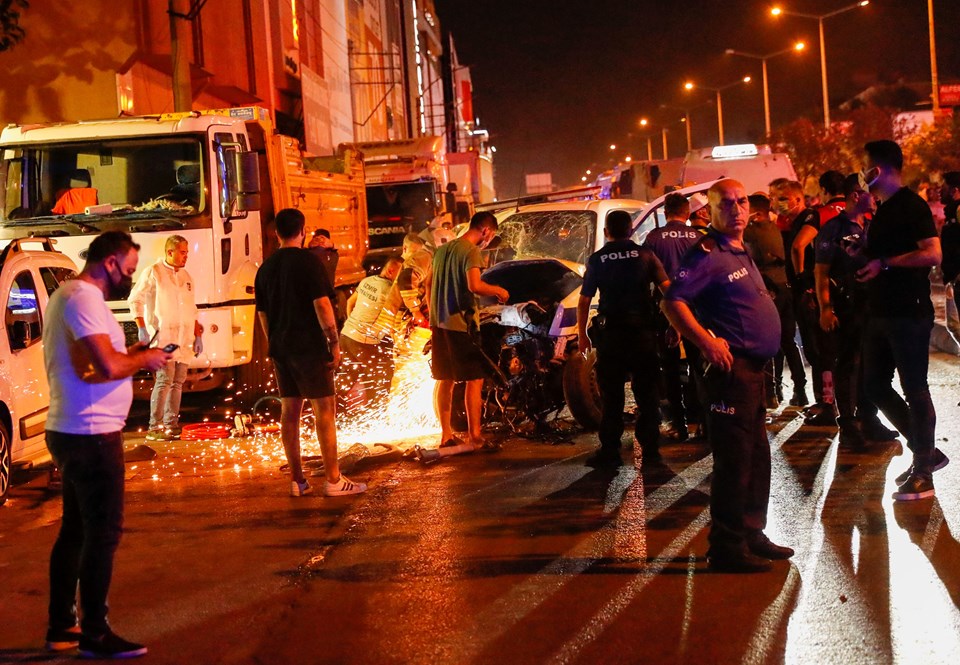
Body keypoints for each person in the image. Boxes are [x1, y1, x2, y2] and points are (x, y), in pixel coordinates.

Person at [43, 231, 171, 658]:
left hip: (76, 428)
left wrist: (130, 352)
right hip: (90, 433)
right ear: (112, 262)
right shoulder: (83, 298)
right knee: (103, 534)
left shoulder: (70, 296)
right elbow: (105, 366)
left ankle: (62, 626)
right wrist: (144, 359)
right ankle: (95, 634)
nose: (131, 280)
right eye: (130, 270)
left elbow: (93, 363)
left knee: (76, 532)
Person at [663, 179, 793, 573]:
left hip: (754, 372)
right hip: (730, 372)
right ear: (711, 211)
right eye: (727, 204)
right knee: (734, 461)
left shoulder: (742, 248)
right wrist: (706, 342)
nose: (736, 210)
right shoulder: (706, 254)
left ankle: (752, 532)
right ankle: (725, 546)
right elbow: (674, 302)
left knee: (756, 457)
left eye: (741, 202)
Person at [856, 140, 945, 501]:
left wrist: (886, 263)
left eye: (865, 166)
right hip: (880, 311)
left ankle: (923, 469)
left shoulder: (911, 205)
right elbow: (878, 253)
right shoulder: (882, 208)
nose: (862, 174)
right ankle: (926, 451)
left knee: (915, 387)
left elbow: (933, 253)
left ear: (880, 168)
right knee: (874, 385)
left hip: (908, 312)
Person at [255, 208, 366, 498]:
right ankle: (333, 479)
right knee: (324, 411)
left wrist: (275, 343)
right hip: (309, 346)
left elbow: (263, 316)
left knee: (289, 412)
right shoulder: (309, 262)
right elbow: (323, 306)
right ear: (303, 231)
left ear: (276, 233)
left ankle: (298, 480)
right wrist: (334, 342)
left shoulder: (264, 268)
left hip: (281, 347)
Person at [814, 173, 898, 448]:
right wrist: (826, 308)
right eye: (870, 195)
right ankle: (848, 423)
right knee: (848, 364)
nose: (874, 200)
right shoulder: (833, 229)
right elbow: (821, 272)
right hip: (846, 305)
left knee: (873, 363)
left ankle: (869, 417)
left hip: (874, 305)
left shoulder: (874, 225)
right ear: (855, 196)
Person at [580, 209, 669, 463]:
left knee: (611, 396)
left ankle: (610, 452)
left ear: (607, 232)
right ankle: (651, 452)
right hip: (643, 334)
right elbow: (668, 291)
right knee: (647, 394)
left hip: (612, 337)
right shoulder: (646, 255)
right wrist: (674, 325)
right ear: (631, 230)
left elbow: (584, 299)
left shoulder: (598, 259)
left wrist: (583, 334)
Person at [429, 211, 509, 449]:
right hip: (460, 324)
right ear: (486, 230)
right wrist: (499, 291)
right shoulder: (471, 251)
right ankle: (475, 435)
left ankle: (446, 435)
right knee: (475, 379)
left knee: (446, 379)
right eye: (490, 235)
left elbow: (428, 283)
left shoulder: (442, 250)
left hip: (438, 322)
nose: (488, 239)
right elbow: (474, 285)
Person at [128, 234, 203, 440]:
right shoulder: (154, 273)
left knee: (178, 381)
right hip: (163, 339)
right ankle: (155, 427)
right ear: (170, 252)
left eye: (187, 252)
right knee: (164, 380)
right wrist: (141, 326)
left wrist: (197, 335)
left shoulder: (186, 277)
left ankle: (172, 423)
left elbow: (191, 309)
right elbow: (135, 299)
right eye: (182, 252)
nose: (185, 256)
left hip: (183, 338)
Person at [643, 193, 703, 440]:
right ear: (687, 213)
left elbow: (646, 276)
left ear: (665, 212)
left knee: (670, 369)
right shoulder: (699, 238)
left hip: (666, 310)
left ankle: (679, 425)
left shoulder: (654, 238)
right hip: (698, 309)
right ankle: (704, 424)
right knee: (700, 366)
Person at [744, 193, 804, 409]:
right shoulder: (779, 228)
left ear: (756, 212)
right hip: (786, 286)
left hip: (768, 289)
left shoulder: (751, 232)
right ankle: (801, 390)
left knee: (769, 342)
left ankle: (772, 392)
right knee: (788, 341)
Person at [773, 179, 821, 411]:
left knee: (816, 346)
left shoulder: (809, 217)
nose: (778, 203)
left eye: (783, 198)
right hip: (799, 290)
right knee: (810, 347)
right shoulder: (791, 224)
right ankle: (820, 399)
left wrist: (801, 281)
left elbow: (798, 247)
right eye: (775, 198)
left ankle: (825, 401)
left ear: (798, 199)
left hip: (807, 290)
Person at [337, 256, 403, 411]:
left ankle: (332, 408)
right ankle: (376, 415)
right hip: (363, 342)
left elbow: (349, 302)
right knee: (379, 375)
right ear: (391, 270)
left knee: (348, 375)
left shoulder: (368, 281)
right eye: (401, 274)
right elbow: (395, 318)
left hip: (347, 335)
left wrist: (352, 323)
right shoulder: (390, 290)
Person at [938, 172, 960, 344]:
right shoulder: (952, 212)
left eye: (943, 187)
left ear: (954, 190)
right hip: (953, 279)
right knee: (954, 325)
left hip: (957, 278)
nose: (939, 191)